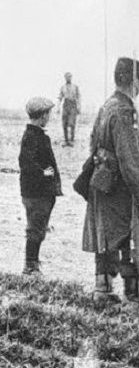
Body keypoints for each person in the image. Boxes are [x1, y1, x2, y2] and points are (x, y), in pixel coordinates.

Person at [83, 57, 139, 305]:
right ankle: (133, 295)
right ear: (132, 80)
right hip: (119, 188)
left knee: (105, 236)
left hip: (101, 182)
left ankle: (103, 287)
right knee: (128, 237)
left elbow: (93, 144)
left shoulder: (106, 106)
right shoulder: (124, 110)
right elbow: (129, 158)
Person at [19, 97, 62, 276]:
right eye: (48, 114)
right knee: (35, 229)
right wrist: (42, 173)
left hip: (40, 193)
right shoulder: (31, 136)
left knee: (38, 228)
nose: (49, 117)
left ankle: (33, 263)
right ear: (42, 115)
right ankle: (30, 266)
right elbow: (25, 161)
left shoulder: (38, 135)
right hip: (35, 193)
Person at [57, 72, 81, 147]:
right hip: (66, 104)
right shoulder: (63, 87)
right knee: (64, 123)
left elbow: (78, 97)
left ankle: (71, 140)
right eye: (67, 77)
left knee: (72, 123)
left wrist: (79, 107)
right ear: (65, 78)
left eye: (69, 77)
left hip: (73, 104)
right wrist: (58, 107)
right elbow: (60, 97)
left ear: (71, 77)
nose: (68, 78)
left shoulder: (75, 87)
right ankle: (66, 140)